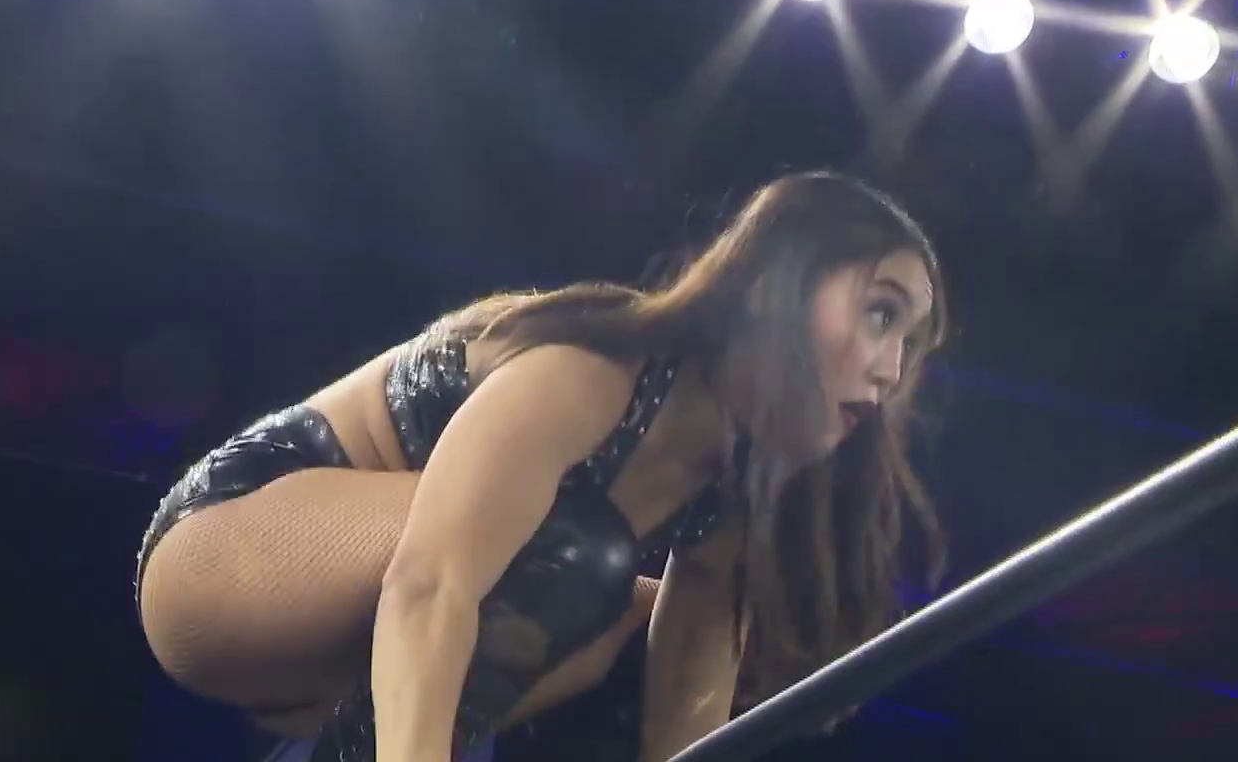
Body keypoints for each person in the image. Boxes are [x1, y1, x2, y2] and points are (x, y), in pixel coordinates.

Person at [134, 172, 948, 762]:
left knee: (671, 624)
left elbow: (684, 726)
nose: (891, 369)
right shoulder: (598, 368)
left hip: (338, 672)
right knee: (573, 554)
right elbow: (430, 585)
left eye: (910, 343)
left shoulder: (734, 486)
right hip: (224, 554)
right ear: (778, 284)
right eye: (881, 314)